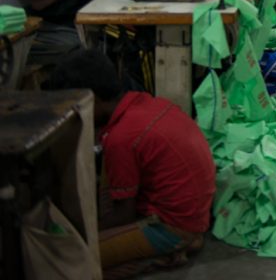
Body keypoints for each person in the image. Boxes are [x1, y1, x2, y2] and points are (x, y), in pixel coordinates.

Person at [47, 49, 215, 278]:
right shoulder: (145, 102)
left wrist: (82, 231)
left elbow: (123, 214)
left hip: (174, 226)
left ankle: (172, 249)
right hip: (195, 213)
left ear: (91, 99)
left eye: (75, 107)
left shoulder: (121, 138)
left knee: (71, 257)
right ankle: (183, 240)